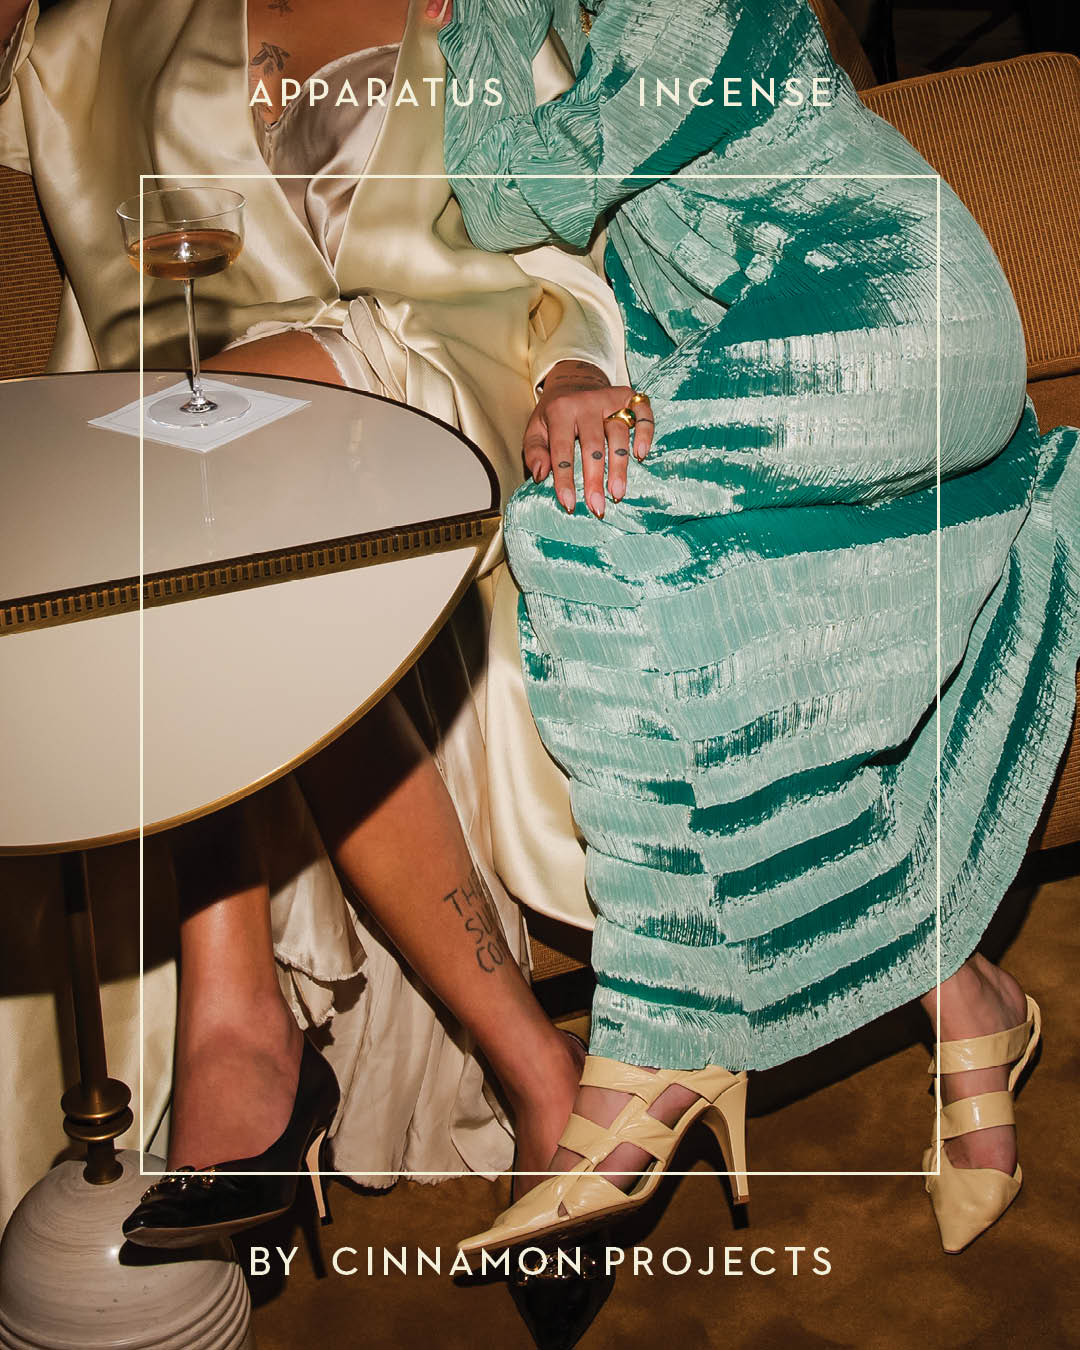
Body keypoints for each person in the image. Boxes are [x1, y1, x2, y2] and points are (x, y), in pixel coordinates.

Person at [438, 0, 1079, 1257]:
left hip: (894, 312)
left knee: (576, 532)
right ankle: (970, 1001)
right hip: (762, 347)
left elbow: (515, 194)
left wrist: (481, 27)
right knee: (643, 575)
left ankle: (654, 1045)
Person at [0, 0, 632, 1242]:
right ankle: (531, 1070)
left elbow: (583, 235)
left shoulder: (492, 12)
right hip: (219, 428)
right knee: (196, 497)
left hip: (436, 369)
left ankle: (241, 1030)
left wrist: (574, 369)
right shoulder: (109, 25)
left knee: (181, 464)